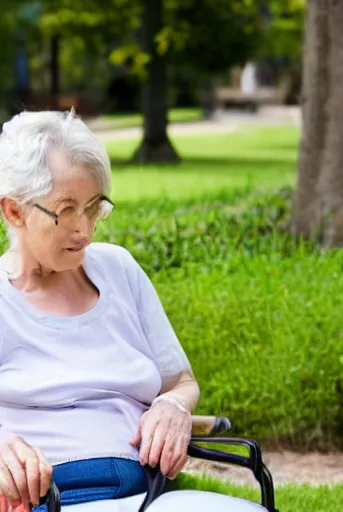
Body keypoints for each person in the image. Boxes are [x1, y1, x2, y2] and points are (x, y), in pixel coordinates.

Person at [0, 110, 264, 512]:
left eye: (93, 208)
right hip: (49, 500)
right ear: (15, 211)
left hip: (149, 496)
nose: (84, 230)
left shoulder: (119, 270)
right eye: (66, 209)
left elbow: (180, 381)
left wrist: (173, 407)